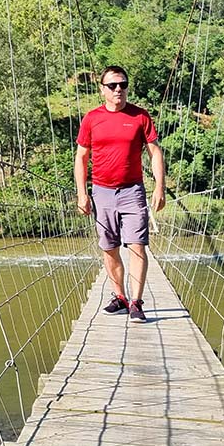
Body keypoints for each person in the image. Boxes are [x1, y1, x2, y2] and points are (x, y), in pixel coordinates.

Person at [74, 65, 165, 323]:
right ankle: (120, 297)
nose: (118, 90)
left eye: (123, 85)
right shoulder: (92, 118)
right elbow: (81, 157)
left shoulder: (140, 116)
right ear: (102, 89)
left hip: (132, 190)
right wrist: (82, 193)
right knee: (109, 248)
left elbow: (154, 152)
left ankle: (136, 302)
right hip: (101, 192)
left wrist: (160, 186)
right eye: (112, 85)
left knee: (137, 246)